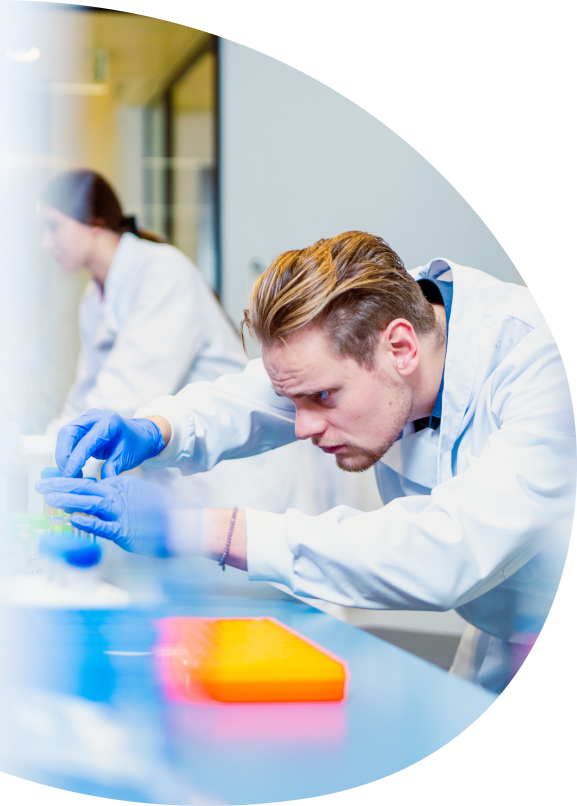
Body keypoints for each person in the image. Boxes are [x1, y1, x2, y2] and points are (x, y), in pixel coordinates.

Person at [37, 231, 574, 693]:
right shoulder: (382, 319)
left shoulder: (540, 365)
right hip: (498, 631)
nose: (302, 427)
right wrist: (157, 429)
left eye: (322, 398)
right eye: (296, 401)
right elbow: (255, 394)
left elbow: (448, 550)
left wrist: (196, 528)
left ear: (402, 349)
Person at [37, 169, 372, 515]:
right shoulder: (94, 297)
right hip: (183, 468)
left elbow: (127, 392)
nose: (46, 243)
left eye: (53, 226)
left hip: (237, 473)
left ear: (93, 219)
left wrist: (55, 454)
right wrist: (50, 444)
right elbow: (86, 393)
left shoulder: (161, 272)